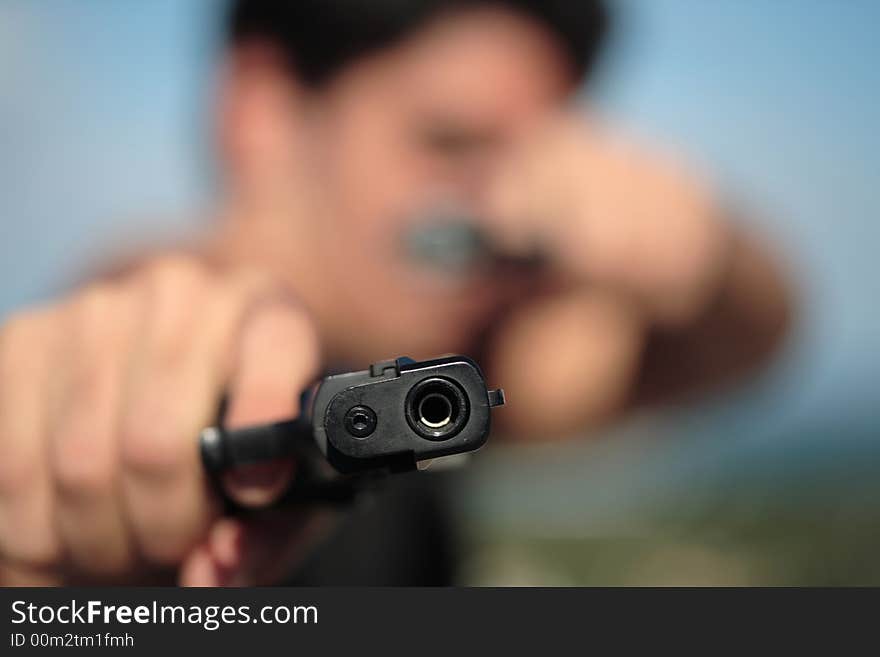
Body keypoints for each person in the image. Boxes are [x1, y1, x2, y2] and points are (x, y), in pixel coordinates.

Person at [0, 0, 791, 586]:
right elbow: (129, 344)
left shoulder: (439, 371)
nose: (506, 216)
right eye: (452, 143)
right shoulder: (130, 356)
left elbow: (735, 349)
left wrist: (703, 247)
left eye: (538, 166)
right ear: (262, 111)